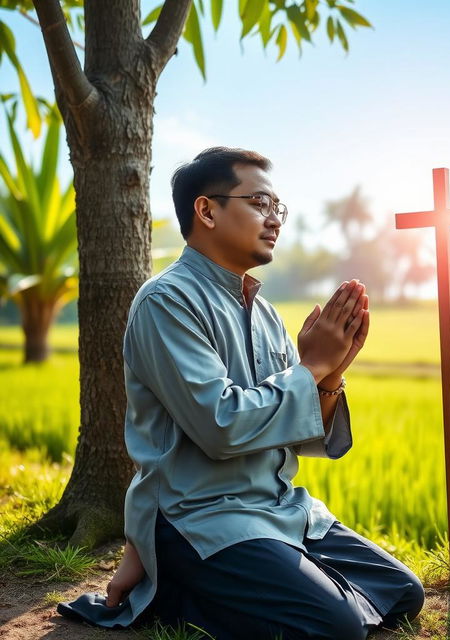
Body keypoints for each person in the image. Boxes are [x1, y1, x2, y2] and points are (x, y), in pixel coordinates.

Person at [58, 147, 424, 639]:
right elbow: (222, 427)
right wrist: (311, 365)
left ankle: (242, 592)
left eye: (278, 208)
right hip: (203, 519)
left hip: (281, 511)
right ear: (206, 210)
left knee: (403, 592)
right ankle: (179, 588)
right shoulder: (167, 302)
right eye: (259, 203)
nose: (274, 219)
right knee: (338, 627)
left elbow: (292, 434)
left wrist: (330, 377)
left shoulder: (266, 312)